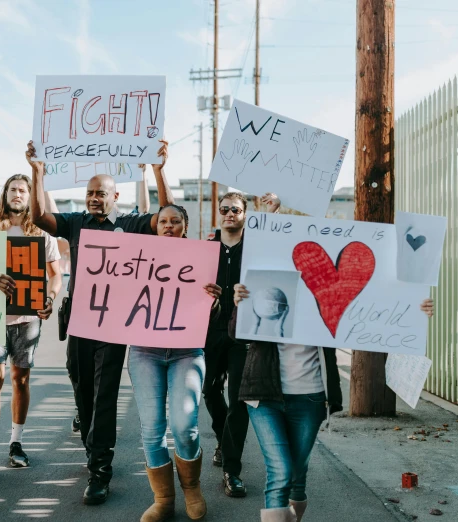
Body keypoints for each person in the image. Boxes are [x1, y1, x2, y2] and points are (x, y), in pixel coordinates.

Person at [27, 139, 174, 505]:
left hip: (114, 326)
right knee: (82, 390)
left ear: (115, 196)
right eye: (90, 193)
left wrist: (158, 171)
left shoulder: (131, 223)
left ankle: (100, 471)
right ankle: (92, 446)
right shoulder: (77, 223)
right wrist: (37, 174)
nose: (94, 198)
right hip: (79, 321)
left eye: (100, 193)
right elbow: (39, 218)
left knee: (104, 392)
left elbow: (168, 217)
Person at [232, 283, 435, 522]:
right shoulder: (268, 278)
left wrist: (413, 312)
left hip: (310, 396)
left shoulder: (329, 288)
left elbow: (371, 311)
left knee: (296, 475)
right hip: (263, 394)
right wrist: (240, 306)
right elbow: (236, 334)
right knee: (281, 471)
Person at [127, 203, 222, 522]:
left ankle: (192, 488)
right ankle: (163, 498)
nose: (168, 225)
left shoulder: (201, 259)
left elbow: (213, 313)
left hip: (187, 350)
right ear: (156, 226)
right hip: (144, 351)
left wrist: (214, 300)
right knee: (152, 429)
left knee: (185, 426)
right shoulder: (136, 259)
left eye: (175, 221)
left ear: (185, 225)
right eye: (163, 221)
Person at [0, 174, 62, 475]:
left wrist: (51, 296)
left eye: (22, 190)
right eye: (12, 189)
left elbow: (55, 274)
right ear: (4, 193)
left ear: (30, 195)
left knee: (20, 379)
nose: (17, 194)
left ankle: (16, 443)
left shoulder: (42, 230)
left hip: (27, 318)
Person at [203, 191, 279, 498]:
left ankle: (231, 470)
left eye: (236, 209)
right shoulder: (205, 249)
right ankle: (223, 438)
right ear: (219, 213)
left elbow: (276, 247)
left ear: (245, 214)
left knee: (238, 401)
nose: (230, 213)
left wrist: (272, 211)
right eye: (225, 209)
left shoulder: (255, 247)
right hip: (208, 330)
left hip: (244, 332)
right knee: (208, 390)